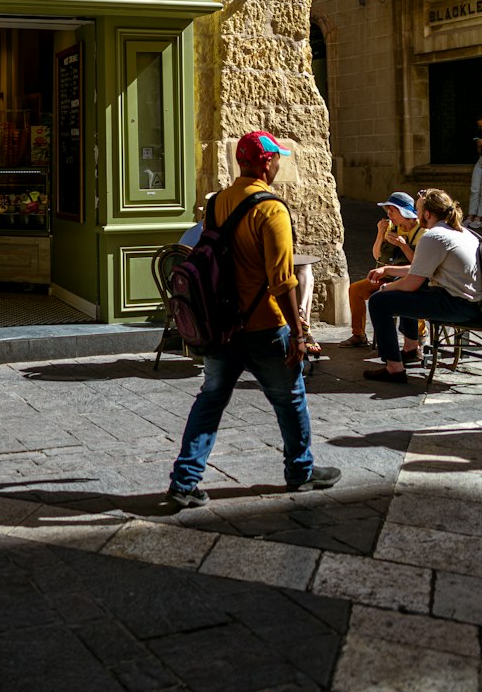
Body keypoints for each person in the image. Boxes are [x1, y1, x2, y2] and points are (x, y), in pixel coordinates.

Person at [167, 131, 341, 507]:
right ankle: (301, 472)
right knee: (290, 399)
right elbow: (282, 280)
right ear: (265, 162)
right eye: (276, 157)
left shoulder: (217, 203)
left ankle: (184, 481)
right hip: (264, 325)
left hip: (222, 324)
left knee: (210, 399)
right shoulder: (271, 209)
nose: (279, 163)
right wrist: (298, 333)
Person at [366, 187, 481, 383]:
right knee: (402, 289)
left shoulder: (433, 236)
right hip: (470, 302)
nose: (415, 213)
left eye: (417, 209)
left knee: (379, 302)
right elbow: (420, 270)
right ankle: (410, 349)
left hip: (457, 305)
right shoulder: (461, 232)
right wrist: (388, 270)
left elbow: (411, 283)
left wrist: (386, 288)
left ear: (427, 213)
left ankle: (394, 368)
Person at [342, 190, 422, 353]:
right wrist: (380, 234)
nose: (389, 214)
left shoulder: (422, 232)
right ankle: (359, 335)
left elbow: (419, 265)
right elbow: (378, 256)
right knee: (356, 289)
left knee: (407, 297)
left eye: (392, 210)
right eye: (388, 210)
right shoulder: (392, 228)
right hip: (388, 276)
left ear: (403, 212)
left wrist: (403, 246)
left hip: (409, 279)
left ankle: (419, 333)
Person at [468, 119, 482, 229]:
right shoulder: (478, 133)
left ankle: (479, 217)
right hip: (480, 162)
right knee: (475, 188)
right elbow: (478, 149)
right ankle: (471, 215)